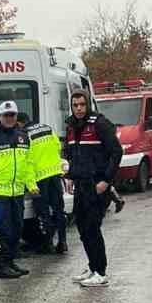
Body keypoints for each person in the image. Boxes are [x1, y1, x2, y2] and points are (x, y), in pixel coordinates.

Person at [64, 89, 124, 288]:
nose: (79, 108)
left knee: (92, 228)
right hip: (80, 185)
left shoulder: (99, 123)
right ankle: (92, 267)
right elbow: (70, 153)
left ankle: (101, 272)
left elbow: (116, 152)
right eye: (75, 105)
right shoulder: (71, 126)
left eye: (82, 104)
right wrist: (69, 175)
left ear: (87, 104)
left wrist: (106, 181)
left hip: (97, 185)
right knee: (82, 228)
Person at [0, 100, 38, 279]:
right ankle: (1, 266)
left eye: (12, 115)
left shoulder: (24, 137)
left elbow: (28, 165)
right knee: (2, 231)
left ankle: (10, 262)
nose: (9, 118)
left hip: (17, 192)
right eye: (6, 115)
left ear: (16, 116)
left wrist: (31, 185)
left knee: (17, 229)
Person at [26, 113, 67, 255]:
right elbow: (57, 147)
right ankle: (62, 242)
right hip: (55, 174)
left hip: (40, 178)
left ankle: (47, 244)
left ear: (20, 123)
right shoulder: (47, 128)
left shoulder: (25, 135)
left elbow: (28, 161)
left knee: (43, 213)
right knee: (59, 210)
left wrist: (31, 184)